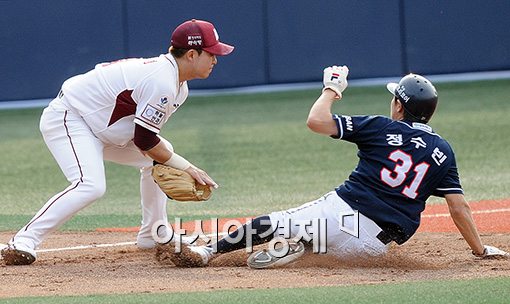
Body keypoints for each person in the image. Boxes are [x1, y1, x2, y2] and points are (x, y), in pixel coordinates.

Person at [164, 65, 508, 268]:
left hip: (341, 213)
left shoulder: (382, 127)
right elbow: (458, 206)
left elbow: (316, 121)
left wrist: (332, 88)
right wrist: (480, 250)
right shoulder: (442, 151)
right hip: (374, 248)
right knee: (324, 245)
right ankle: (301, 250)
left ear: (400, 107)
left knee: (275, 221)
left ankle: (208, 251)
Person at [1, 19, 234, 266]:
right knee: (91, 185)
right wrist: (188, 167)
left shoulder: (178, 86)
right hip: (70, 118)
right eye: (211, 53)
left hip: (101, 127)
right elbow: (145, 140)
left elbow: (145, 137)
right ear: (190, 54)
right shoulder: (162, 80)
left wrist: (177, 163)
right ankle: (23, 241)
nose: (215, 59)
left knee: (159, 158)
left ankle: (154, 233)